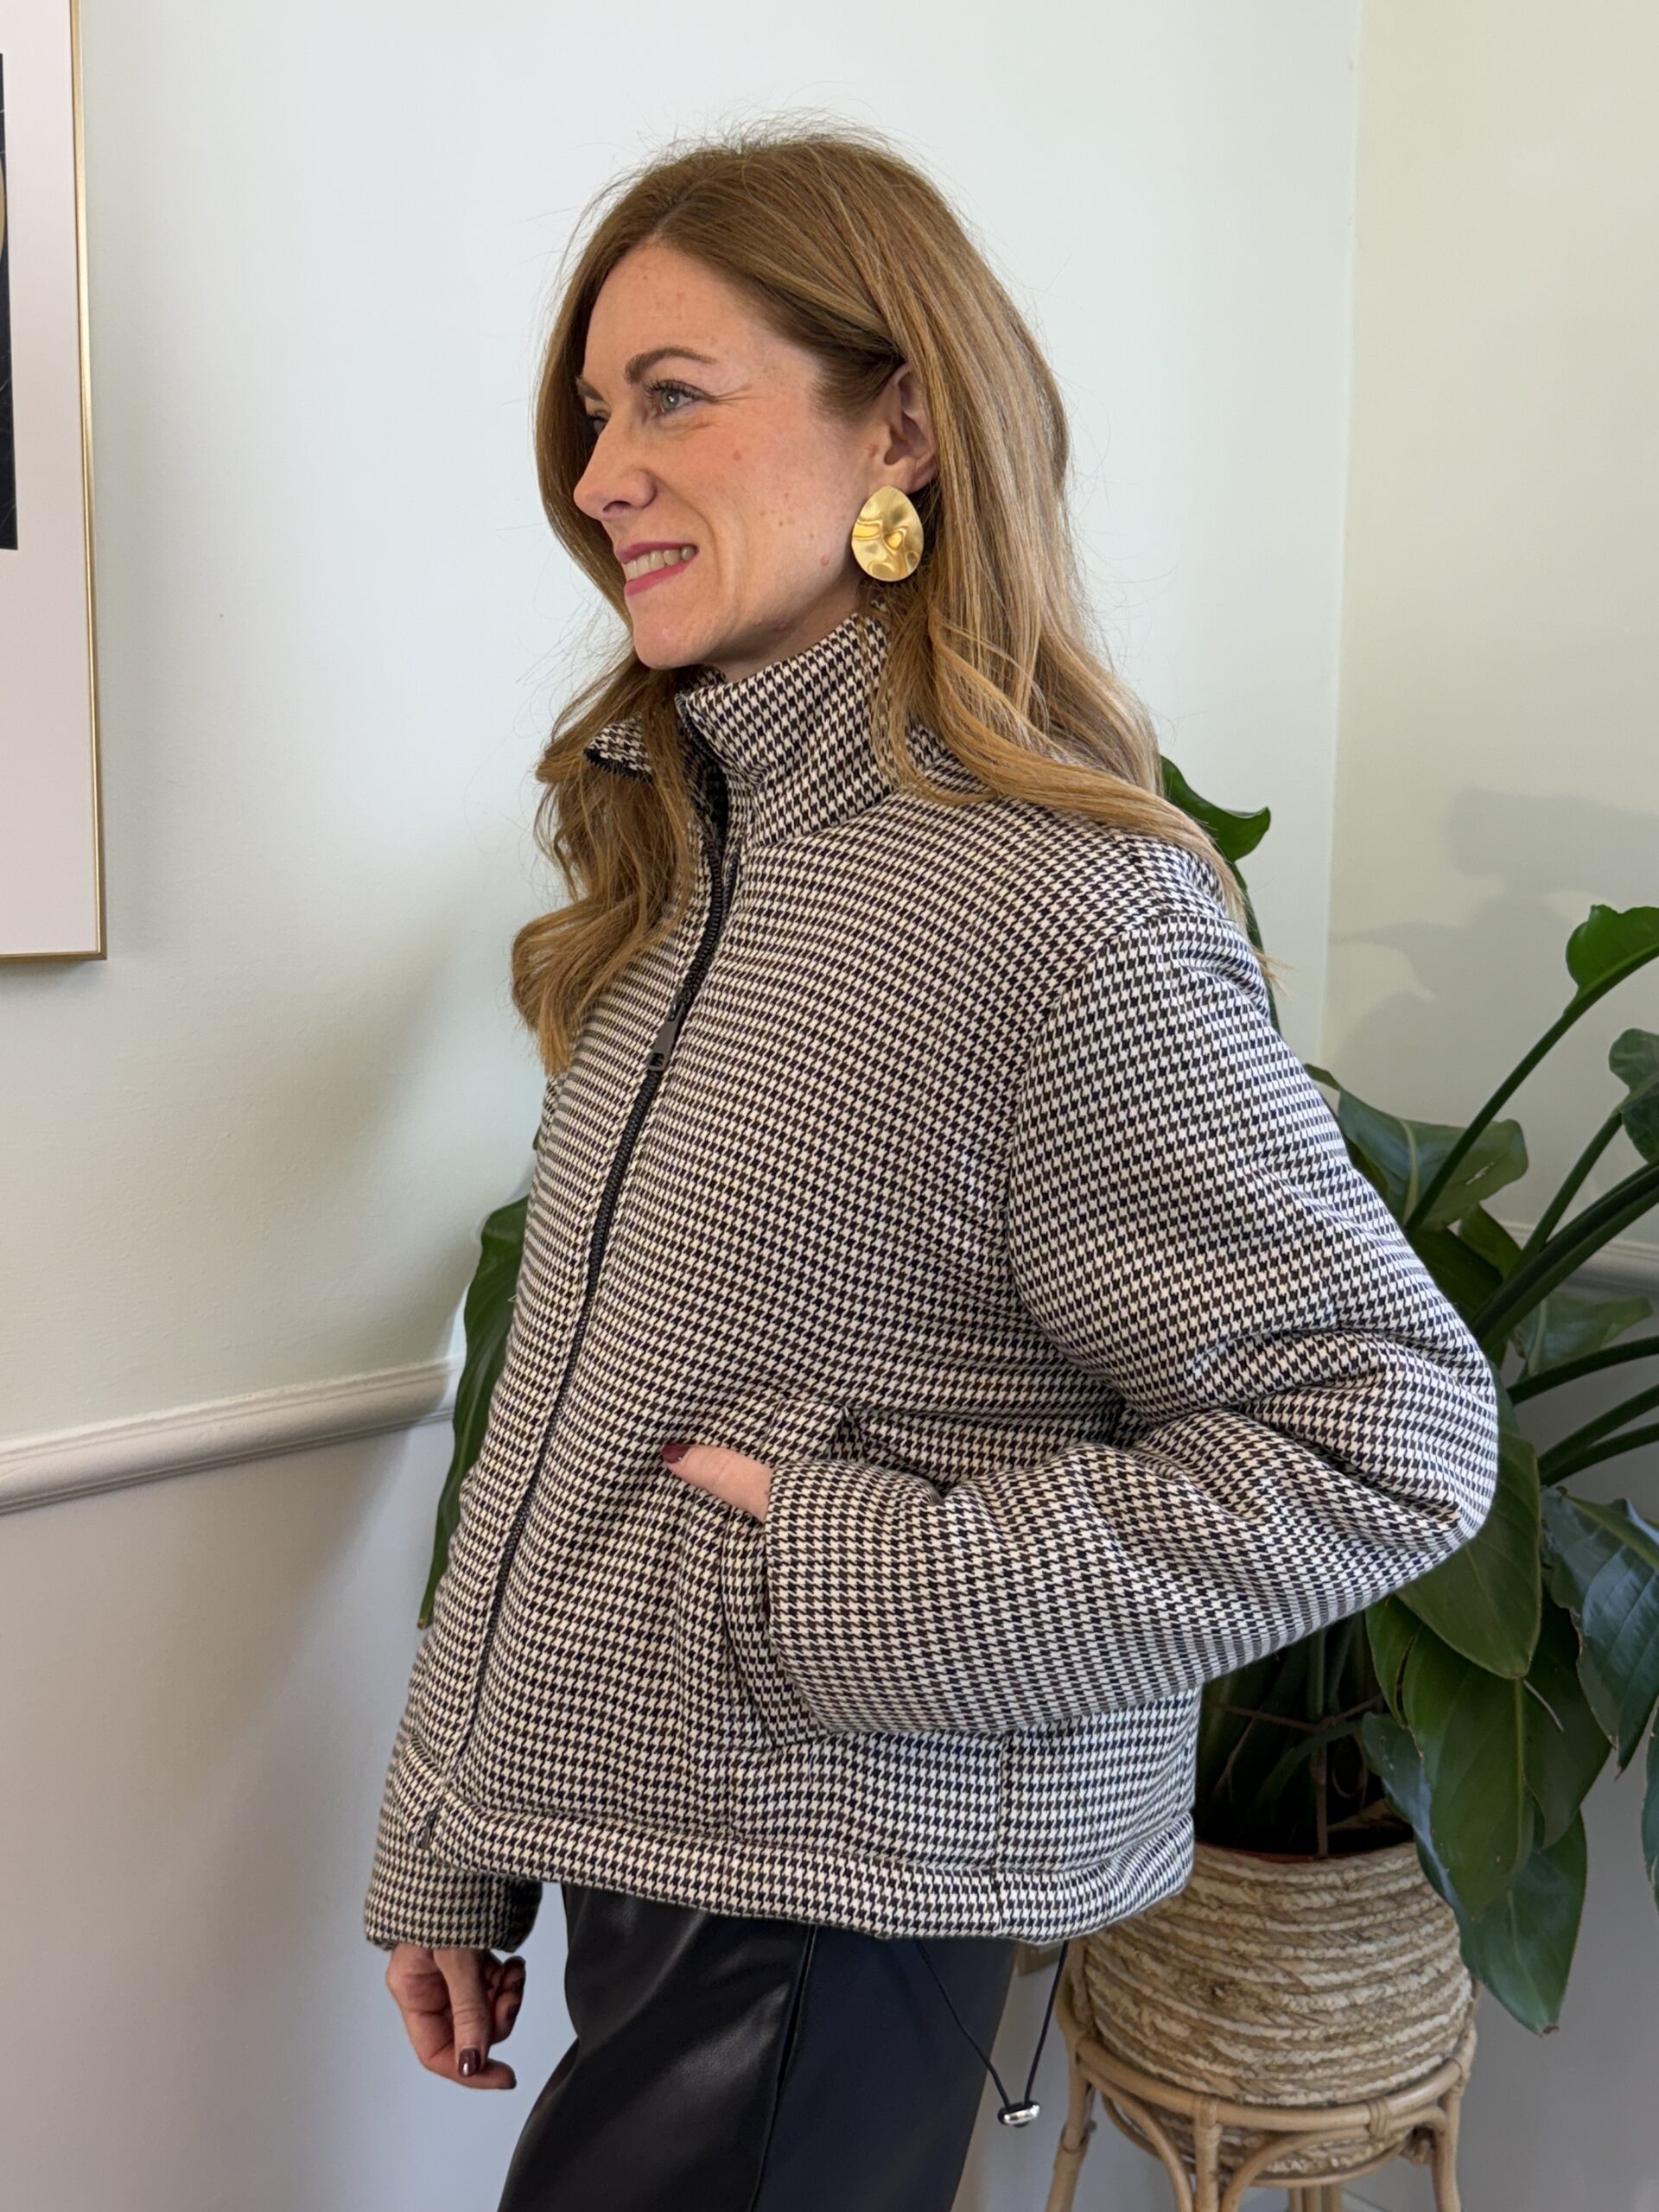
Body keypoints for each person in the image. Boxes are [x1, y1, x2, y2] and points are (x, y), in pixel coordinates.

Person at [361, 121, 1499, 2212]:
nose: (601, 473)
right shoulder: (683, 879)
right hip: (657, 1870)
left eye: (672, 396)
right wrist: (449, 1824)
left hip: (826, 1919)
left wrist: (829, 1583)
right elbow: (571, 1410)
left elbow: (1389, 1430)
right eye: (595, 414)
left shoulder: (1059, 912)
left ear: (900, 425)